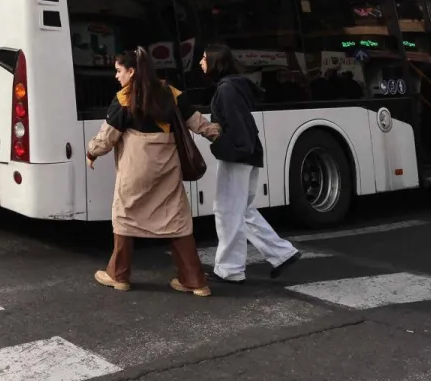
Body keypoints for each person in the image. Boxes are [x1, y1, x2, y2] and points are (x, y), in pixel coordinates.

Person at [86, 47, 221, 296]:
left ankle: (119, 276)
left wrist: (91, 152)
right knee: (178, 220)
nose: (117, 76)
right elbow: (197, 122)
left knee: (125, 216)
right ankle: (194, 281)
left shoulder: (124, 98)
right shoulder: (172, 93)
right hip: (166, 169)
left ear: (132, 71)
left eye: (119, 71)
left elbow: (107, 138)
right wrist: (218, 133)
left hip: (134, 169)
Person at [201, 44, 301, 283]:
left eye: (204, 58)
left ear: (215, 62)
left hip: (238, 156)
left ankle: (230, 270)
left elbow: (236, 127)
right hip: (247, 154)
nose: (200, 63)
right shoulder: (234, 86)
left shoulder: (226, 90)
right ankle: (282, 253)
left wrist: (223, 145)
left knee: (227, 212)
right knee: (241, 210)